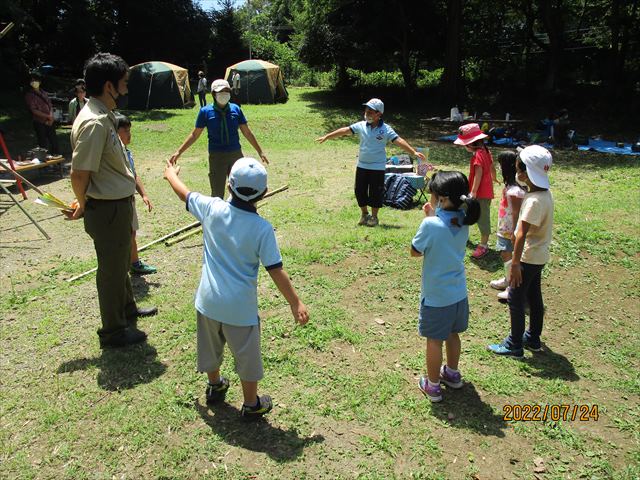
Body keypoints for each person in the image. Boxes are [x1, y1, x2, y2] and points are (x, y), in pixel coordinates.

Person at [163, 156, 309, 418]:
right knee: (246, 355)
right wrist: (295, 302)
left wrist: (170, 173)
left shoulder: (211, 208)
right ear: (263, 193)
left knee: (210, 346)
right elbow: (276, 271)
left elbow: (183, 193)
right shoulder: (262, 229)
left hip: (207, 301)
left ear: (229, 185)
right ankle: (251, 404)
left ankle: (215, 385)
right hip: (240, 309)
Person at [68, 52, 157, 349]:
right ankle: (113, 332)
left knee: (120, 264)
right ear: (109, 86)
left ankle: (127, 312)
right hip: (106, 209)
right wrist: (84, 204)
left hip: (116, 205)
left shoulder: (104, 115)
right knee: (111, 270)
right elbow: (79, 174)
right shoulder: (94, 122)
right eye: (123, 83)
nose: (126, 88)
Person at [411, 171, 480, 402]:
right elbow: (445, 226)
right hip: (458, 294)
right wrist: (433, 214)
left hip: (436, 296)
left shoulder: (430, 225)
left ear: (442, 198)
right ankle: (451, 373)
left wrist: (427, 218)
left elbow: (415, 251)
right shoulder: (464, 219)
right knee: (453, 334)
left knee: (434, 340)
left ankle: (432, 386)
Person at [316, 98, 426, 227]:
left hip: (377, 167)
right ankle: (364, 214)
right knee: (359, 191)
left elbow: (398, 140)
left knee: (376, 192)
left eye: (370, 111)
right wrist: (327, 136)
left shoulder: (386, 129)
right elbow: (345, 130)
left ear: (379, 114)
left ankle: (374, 217)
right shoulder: (361, 125)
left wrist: (413, 152)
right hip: (362, 165)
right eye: (366, 110)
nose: (367, 112)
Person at [487, 145, 554, 358]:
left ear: (525, 173)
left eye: (518, 167)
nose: (516, 171)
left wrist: (515, 264)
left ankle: (514, 344)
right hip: (539, 256)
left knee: (515, 299)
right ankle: (533, 338)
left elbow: (520, 234)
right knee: (534, 297)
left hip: (527, 257)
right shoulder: (544, 194)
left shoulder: (533, 201)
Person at [169, 79, 269, 199]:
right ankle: (217, 215)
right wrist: (179, 151)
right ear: (213, 94)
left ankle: (238, 213)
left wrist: (260, 151)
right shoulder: (205, 112)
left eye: (226, 91)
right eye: (220, 91)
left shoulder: (236, 109)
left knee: (241, 188)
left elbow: (247, 132)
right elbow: (195, 135)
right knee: (217, 193)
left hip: (235, 155)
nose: (224, 94)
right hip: (217, 156)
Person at [115, 114, 157, 275]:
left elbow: (134, 175)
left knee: (131, 231)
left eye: (129, 130)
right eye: (125, 130)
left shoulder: (127, 153)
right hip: (119, 199)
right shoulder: (114, 155)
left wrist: (143, 195)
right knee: (124, 233)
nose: (129, 134)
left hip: (129, 198)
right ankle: (125, 264)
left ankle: (134, 263)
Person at [454, 123, 497, 258]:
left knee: (482, 218)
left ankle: (483, 246)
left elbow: (478, 174)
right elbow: (492, 167)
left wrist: (472, 192)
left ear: (471, 143)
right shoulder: (485, 150)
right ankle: (461, 235)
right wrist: (495, 178)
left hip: (481, 194)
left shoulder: (478, 155)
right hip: (481, 192)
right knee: (463, 209)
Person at [490, 151, 525, 301]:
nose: (498, 167)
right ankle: (507, 279)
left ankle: (512, 286)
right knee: (505, 254)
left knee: (507, 254)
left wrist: (515, 232)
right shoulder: (510, 186)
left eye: (500, 164)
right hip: (504, 227)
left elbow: (517, 213)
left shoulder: (515, 191)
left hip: (510, 230)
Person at [24, 71, 59, 154]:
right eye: (32, 81)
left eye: (35, 80)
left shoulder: (43, 92)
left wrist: (50, 117)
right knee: (43, 144)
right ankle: (43, 164)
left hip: (49, 121)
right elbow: (34, 110)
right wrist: (48, 116)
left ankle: (56, 162)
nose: (34, 82)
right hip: (39, 122)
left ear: (39, 81)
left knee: (54, 142)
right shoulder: (29, 95)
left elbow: (50, 105)